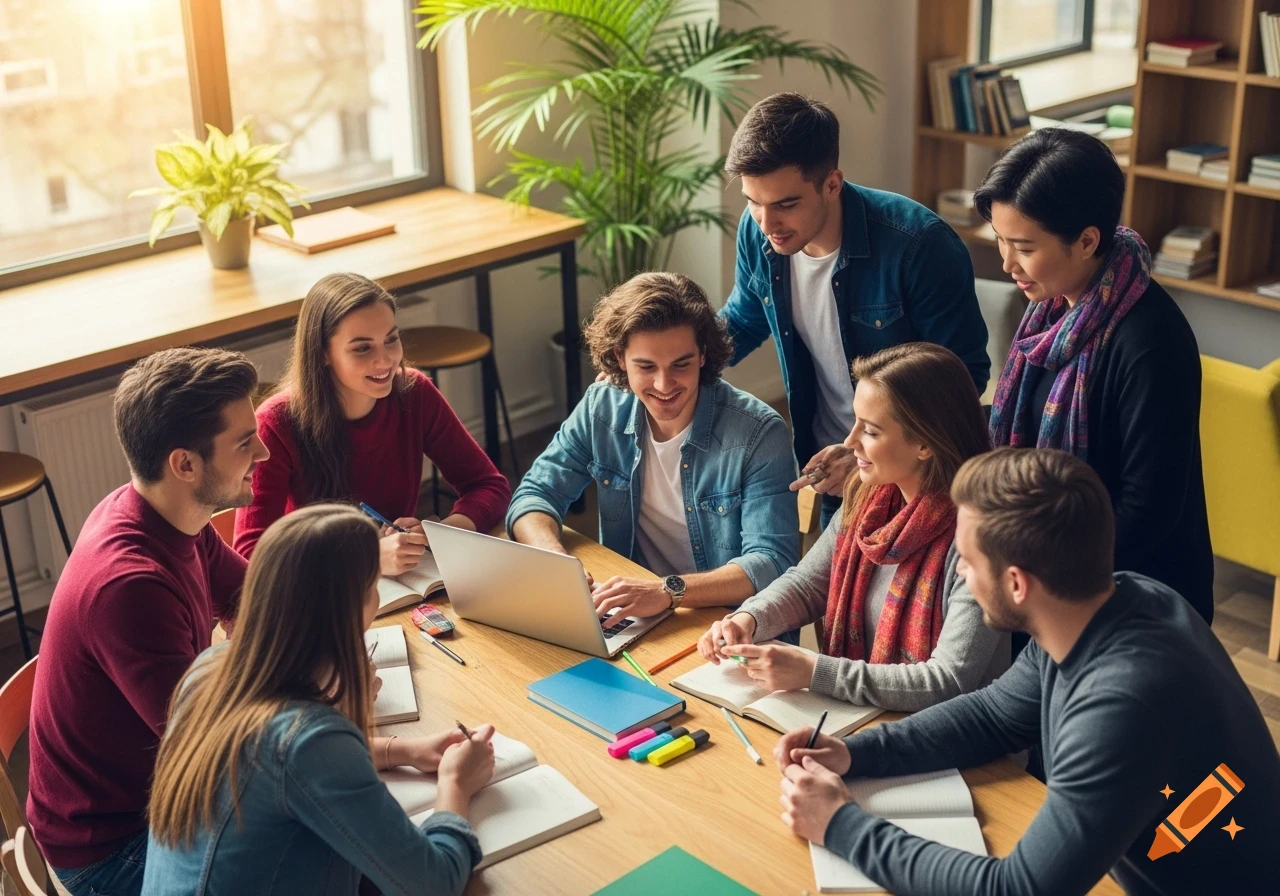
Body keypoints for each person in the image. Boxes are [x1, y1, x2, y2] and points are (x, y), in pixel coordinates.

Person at [775, 448, 1279, 895]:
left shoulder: (1121, 706)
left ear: (1017, 584)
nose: (961, 574)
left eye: (967, 562)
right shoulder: (1116, 598)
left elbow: (1016, 888)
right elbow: (993, 716)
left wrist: (841, 824)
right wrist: (853, 752)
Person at [144, 505, 495, 895]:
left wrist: (399, 751)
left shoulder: (208, 669)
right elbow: (434, 883)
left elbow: (276, 768)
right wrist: (455, 783)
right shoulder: (310, 738)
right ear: (354, 608)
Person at [27, 348, 268, 896]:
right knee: (336, 865)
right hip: (115, 847)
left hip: (165, 794)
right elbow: (215, 750)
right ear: (185, 464)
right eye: (244, 442)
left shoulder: (173, 516)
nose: (265, 450)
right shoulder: (130, 585)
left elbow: (259, 597)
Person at [976, 127, 1213, 624]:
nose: (1006, 263)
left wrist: (1044, 579)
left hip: (1123, 602)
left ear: (1087, 241)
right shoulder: (1053, 308)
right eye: (1000, 241)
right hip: (1045, 582)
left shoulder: (1149, 342)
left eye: (1023, 246)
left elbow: (1148, 512)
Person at [719, 92, 989, 527]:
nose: (767, 224)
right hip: (830, 463)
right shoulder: (760, 232)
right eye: (753, 202)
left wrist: (861, 445)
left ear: (831, 183)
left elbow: (964, 376)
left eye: (785, 204)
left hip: (913, 474)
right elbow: (745, 317)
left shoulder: (920, 245)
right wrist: (668, 360)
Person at [698, 343, 1006, 711]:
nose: (849, 442)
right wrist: (750, 617)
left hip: (957, 747)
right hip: (861, 715)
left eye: (871, 431)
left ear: (925, 443)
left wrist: (815, 671)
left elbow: (948, 680)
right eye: (855, 421)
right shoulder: (869, 494)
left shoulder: (981, 536)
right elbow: (809, 583)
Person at [508, 271, 797, 620]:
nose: (664, 385)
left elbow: (770, 562)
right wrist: (555, 558)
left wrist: (666, 591)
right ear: (619, 358)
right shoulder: (602, 407)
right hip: (633, 610)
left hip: (726, 623)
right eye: (646, 366)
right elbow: (535, 495)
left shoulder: (758, 433)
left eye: (681, 364)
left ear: (703, 355)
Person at [235, 272, 511, 573]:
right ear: (323, 353)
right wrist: (366, 557)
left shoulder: (415, 393)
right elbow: (252, 556)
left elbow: (489, 486)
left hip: (401, 582)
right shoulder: (277, 423)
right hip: (317, 589)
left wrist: (436, 534)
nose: (385, 361)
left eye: (391, 339)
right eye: (362, 348)